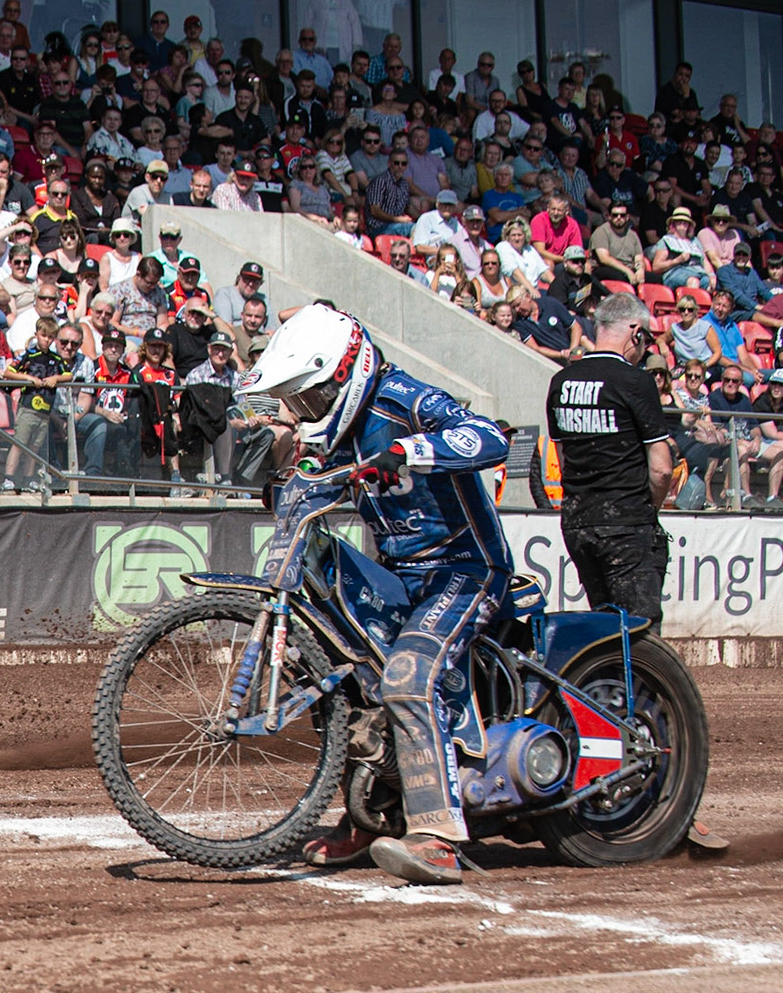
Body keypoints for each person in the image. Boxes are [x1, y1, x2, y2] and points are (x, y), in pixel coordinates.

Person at [243, 302, 512, 887]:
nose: (310, 412)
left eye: (314, 398)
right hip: (400, 575)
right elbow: (313, 477)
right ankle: (371, 815)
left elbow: (489, 438)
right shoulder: (337, 428)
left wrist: (411, 451)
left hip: (465, 570)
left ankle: (437, 837)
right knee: (335, 673)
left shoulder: (404, 398)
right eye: (303, 403)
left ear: (346, 371)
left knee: (409, 674)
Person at [544, 292, 674, 629]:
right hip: (625, 520)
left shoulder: (561, 381)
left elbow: (562, 457)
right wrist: (649, 511)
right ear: (635, 333)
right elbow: (661, 469)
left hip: (577, 521)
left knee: (603, 626)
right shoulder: (635, 381)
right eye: (645, 338)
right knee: (640, 632)